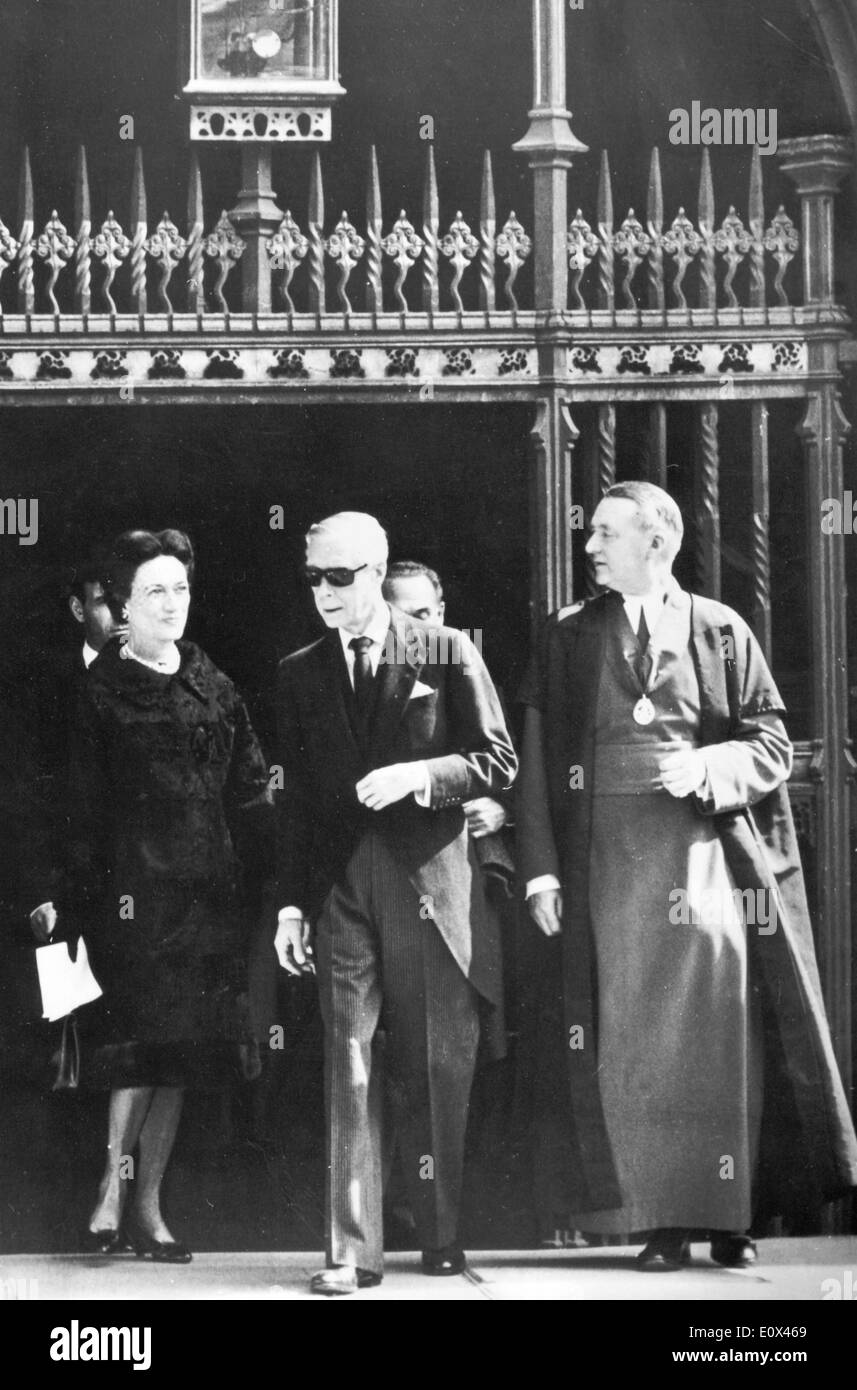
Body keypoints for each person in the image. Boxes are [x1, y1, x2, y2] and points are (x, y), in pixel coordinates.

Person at [516, 480, 857, 1270]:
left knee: (717, 1036)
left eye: (606, 533)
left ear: (657, 544)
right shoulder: (566, 634)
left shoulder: (721, 629)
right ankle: (661, 1224)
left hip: (704, 860)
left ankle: (729, 1217)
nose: (590, 545)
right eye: (591, 532)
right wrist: (539, 875)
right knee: (631, 1047)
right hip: (602, 862)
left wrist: (707, 763)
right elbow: (534, 762)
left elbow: (771, 742)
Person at [273, 512, 517, 1294]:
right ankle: (353, 1251)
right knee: (346, 1058)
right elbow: (297, 806)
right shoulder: (298, 671)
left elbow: (497, 759)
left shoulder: (446, 650)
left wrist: (421, 776)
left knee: (436, 1060)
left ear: (376, 573)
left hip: (428, 879)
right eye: (312, 578)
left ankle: (440, 1232)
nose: (323, 594)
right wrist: (288, 907)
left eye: (338, 578)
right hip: (343, 884)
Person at [60, 528, 273, 1262]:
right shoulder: (98, 695)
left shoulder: (213, 684)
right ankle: (110, 1190)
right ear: (122, 603)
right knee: (140, 1047)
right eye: (154, 591)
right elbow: (79, 810)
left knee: (183, 1054)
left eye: (180, 588)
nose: (171, 603)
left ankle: (148, 1207)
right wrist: (83, 902)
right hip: (133, 899)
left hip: (209, 898)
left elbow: (250, 787)